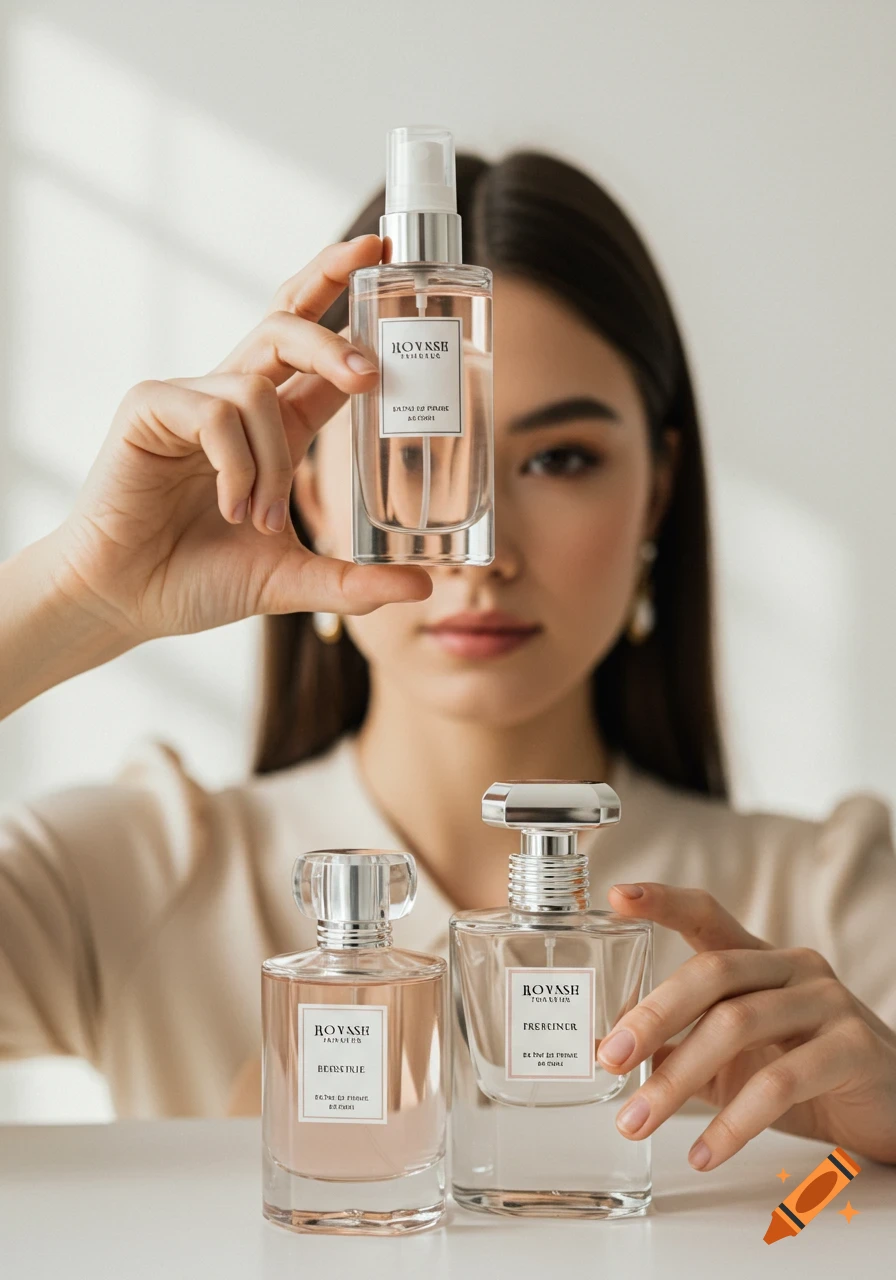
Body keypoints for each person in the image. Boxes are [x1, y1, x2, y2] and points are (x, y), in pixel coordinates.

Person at [1, 151, 894, 1173]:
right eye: (415, 451)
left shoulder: (824, 903)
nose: (483, 549)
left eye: (558, 459)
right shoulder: (133, 872)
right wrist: (75, 593)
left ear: (655, 492)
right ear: (313, 490)